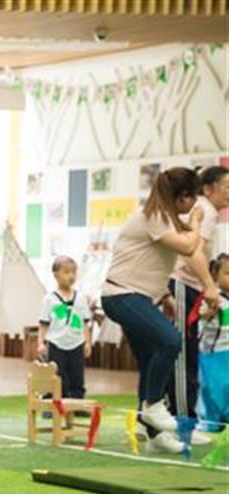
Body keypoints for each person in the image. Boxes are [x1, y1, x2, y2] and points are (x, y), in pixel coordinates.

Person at [102, 167, 217, 454]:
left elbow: (151, 262)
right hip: (121, 295)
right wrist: (197, 222)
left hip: (139, 296)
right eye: (194, 198)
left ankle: (152, 432)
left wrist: (164, 295)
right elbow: (190, 247)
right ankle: (153, 406)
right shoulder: (155, 216)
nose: (196, 204)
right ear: (182, 197)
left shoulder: (165, 218)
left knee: (151, 358)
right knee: (169, 340)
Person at [170, 166, 229, 432]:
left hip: (193, 287)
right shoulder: (204, 210)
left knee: (184, 352)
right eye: (226, 186)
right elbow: (193, 252)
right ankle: (185, 422)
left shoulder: (209, 212)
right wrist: (209, 287)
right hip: (184, 284)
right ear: (207, 189)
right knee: (184, 353)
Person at [37, 256, 92, 399]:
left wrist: (87, 342)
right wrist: (40, 343)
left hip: (76, 343)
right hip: (56, 343)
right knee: (56, 375)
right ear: (55, 275)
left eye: (74, 272)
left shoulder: (81, 298)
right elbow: (43, 323)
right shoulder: (50, 299)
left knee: (77, 376)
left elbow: (85, 322)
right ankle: (53, 404)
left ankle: (77, 403)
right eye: (66, 272)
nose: (71, 276)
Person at [196, 254, 229, 429]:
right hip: (214, 355)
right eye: (228, 273)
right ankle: (211, 422)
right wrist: (208, 312)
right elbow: (201, 314)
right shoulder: (213, 298)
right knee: (212, 389)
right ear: (215, 276)